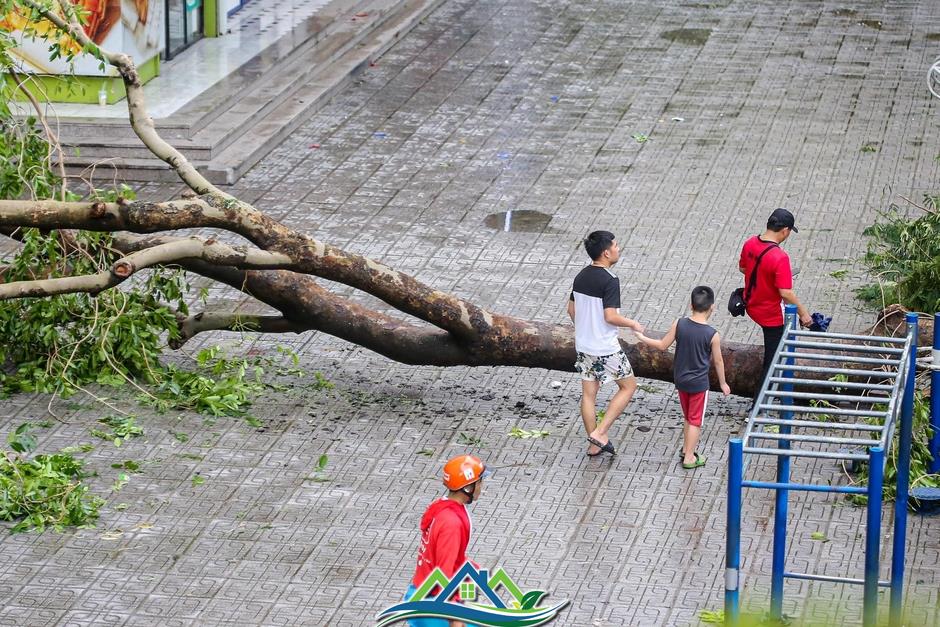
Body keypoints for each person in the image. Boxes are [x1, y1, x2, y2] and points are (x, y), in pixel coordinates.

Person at [635, 286, 731, 469]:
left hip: (680, 380)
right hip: (699, 384)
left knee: (688, 416)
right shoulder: (712, 334)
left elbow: (662, 345)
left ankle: (686, 448)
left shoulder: (679, 324)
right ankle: (689, 457)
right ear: (713, 307)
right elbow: (718, 361)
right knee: (695, 420)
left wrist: (642, 337)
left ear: (690, 305)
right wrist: (723, 383)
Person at [567, 230, 644, 457]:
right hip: (605, 347)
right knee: (629, 386)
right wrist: (633, 323)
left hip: (584, 345)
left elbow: (571, 309)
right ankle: (600, 433)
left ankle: (594, 444)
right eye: (616, 245)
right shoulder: (610, 280)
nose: (619, 249)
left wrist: (585, 327)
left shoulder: (581, 276)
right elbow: (610, 316)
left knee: (589, 394)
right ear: (606, 252)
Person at [404, 455, 487, 627]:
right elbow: (443, 572)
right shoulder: (452, 523)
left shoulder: (441, 507)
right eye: (479, 482)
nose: (482, 486)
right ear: (468, 487)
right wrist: (455, 619)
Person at [738, 208, 812, 395]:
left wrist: (764, 276)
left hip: (751, 304)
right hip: (770, 314)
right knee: (774, 361)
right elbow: (786, 293)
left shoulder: (750, 243)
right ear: (785, 230)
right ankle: (758, 407)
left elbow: (743, 268)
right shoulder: (780, 257)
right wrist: (803, 313)